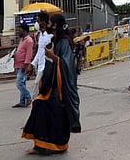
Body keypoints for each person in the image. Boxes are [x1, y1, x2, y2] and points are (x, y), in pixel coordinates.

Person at [22, 13, 82, 155]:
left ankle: (49, 145)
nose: (46, 24)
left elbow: (66, 64)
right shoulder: (55, 39)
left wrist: (52, 56)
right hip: (51, 82)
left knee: (47, 110)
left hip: (60, 86)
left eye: (49, 22)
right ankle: (44, 145)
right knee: (41, 107)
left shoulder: (64, 41)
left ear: (54, 25)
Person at [30, 11, 53, 93]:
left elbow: (50, 53)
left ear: (43, 22)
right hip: (40, 67)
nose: (37, 23)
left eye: (38, 21)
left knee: (39, 91)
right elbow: (39, 52)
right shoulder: (41, 35)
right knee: (38, 92)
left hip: (47, 68)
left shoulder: (49, 36)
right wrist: (33, 64)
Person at [13, 23, 34, 108]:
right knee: (23, 83)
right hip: (18, 64)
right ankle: (22, 101)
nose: (19, 31)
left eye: (20, 29)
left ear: (24, 30)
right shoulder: (22, 40)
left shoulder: (29, 40)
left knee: (19, 83)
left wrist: (26, 65)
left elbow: (29, 54)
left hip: (23, 65)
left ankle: (28, 97)